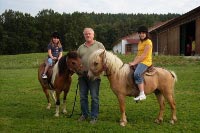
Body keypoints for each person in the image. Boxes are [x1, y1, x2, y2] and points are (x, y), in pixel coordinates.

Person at [77, 28, 105, 124]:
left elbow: (105, 59)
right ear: (84, 35)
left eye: (89, 34)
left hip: (94, 76)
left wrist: (98, 71)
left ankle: (94, 116)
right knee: (83, 97)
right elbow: (77, 61)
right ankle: (84, 114)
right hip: (82, 76)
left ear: (93, 35)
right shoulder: (80, 47)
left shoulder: (99, 45)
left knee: (94, 97)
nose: (88, 35)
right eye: (86, 34)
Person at [129, 26, 153, 101]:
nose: (142, 34)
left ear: (146, 33)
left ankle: (142, 94)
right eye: (140, 33)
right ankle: (135, 90)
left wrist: (135, 63)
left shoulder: (148, 42)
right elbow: (138, 55)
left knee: (137, 73)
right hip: (140, 61)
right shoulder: (140, 42)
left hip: (146, 62)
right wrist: (133, 62)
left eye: (143, 33)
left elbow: (144, 55)